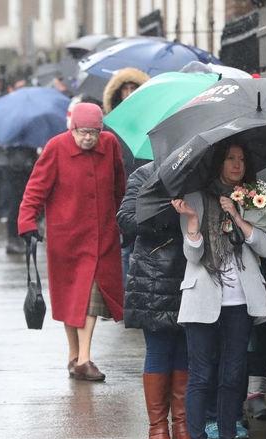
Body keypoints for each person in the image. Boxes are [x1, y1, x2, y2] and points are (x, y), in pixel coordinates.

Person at [171, 139, 266, 439]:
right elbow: (192, 255)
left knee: (233, 374)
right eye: (230, 158)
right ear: (218, 162)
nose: (236, 165)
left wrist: (239, 216)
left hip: (241, 300)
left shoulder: (256, 197)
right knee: (201, 375)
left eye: (242, 159)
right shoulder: (195, 198)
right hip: (203, 295)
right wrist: (192, 221)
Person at [18, 102, 125, 382]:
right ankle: (73, 356)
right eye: (82, 132)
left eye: (93, 132)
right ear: (72, 128)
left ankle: (84, 359)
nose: (88, 138)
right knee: (71, 299)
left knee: (90, 296)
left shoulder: (110, 144)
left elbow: (119, 185)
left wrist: (125, 217)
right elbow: (35, 189)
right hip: (67, 238)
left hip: (102, 235)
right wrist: (27, 222)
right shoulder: (56, 147)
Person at [117, 161, 191, 439]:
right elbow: (125, 219)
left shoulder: (204, 174)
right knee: (160, 350)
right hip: (154, 275)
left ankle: (182, 424)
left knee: (188, 350)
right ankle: (157, 429)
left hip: (195, 274)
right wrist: (169, 214)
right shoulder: (146, 175)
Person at [103, 67, 151, 288]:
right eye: (126, 89)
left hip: (149, 187)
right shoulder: (111, 124)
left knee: (147, 246)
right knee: (125, 247)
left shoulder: (151, 120)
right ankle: (125, 297)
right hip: (122, 191)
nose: (130, 93)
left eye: (135, 88)